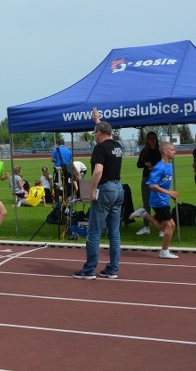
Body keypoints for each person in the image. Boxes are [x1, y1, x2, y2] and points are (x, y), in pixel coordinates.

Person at [73, 108, 124, 280]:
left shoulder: (100, 148)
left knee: (94, 231)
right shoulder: (117, 146)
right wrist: (97, 120)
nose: (94, 135)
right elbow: (105, 131)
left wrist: (92, 190)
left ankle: (89, 270)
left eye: (95, 132)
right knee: (114, 232)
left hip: (105, 189)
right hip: (118, 189)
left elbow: (98, 171)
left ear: (99, 133)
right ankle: (112, 269)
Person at [130, 141, 180, 259]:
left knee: (163, 227)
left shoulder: (169, 166)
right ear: (165, 151)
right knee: (171, 226)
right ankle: (164, 251)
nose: (175, 152)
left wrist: (171, 194)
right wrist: (169, 193)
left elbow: (164, 184)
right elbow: (152, 185)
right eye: (172, 150)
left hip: (164, 199)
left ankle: (143, 213)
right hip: (158, 200)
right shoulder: (159, 167)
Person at [135, 131, 161, 235]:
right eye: (150, 138)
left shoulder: (160, 151)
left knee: (159, 203)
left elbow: (163, 164)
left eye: (153, 138)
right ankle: (146, 227)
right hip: (146, 178)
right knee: (146, 203)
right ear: (147, 140)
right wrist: (146, 164)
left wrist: (153, 166)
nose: (152, 140)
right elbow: (139, 164)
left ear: (156, 139)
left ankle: (162, 227)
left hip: (157, 179)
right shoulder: (144, 151)